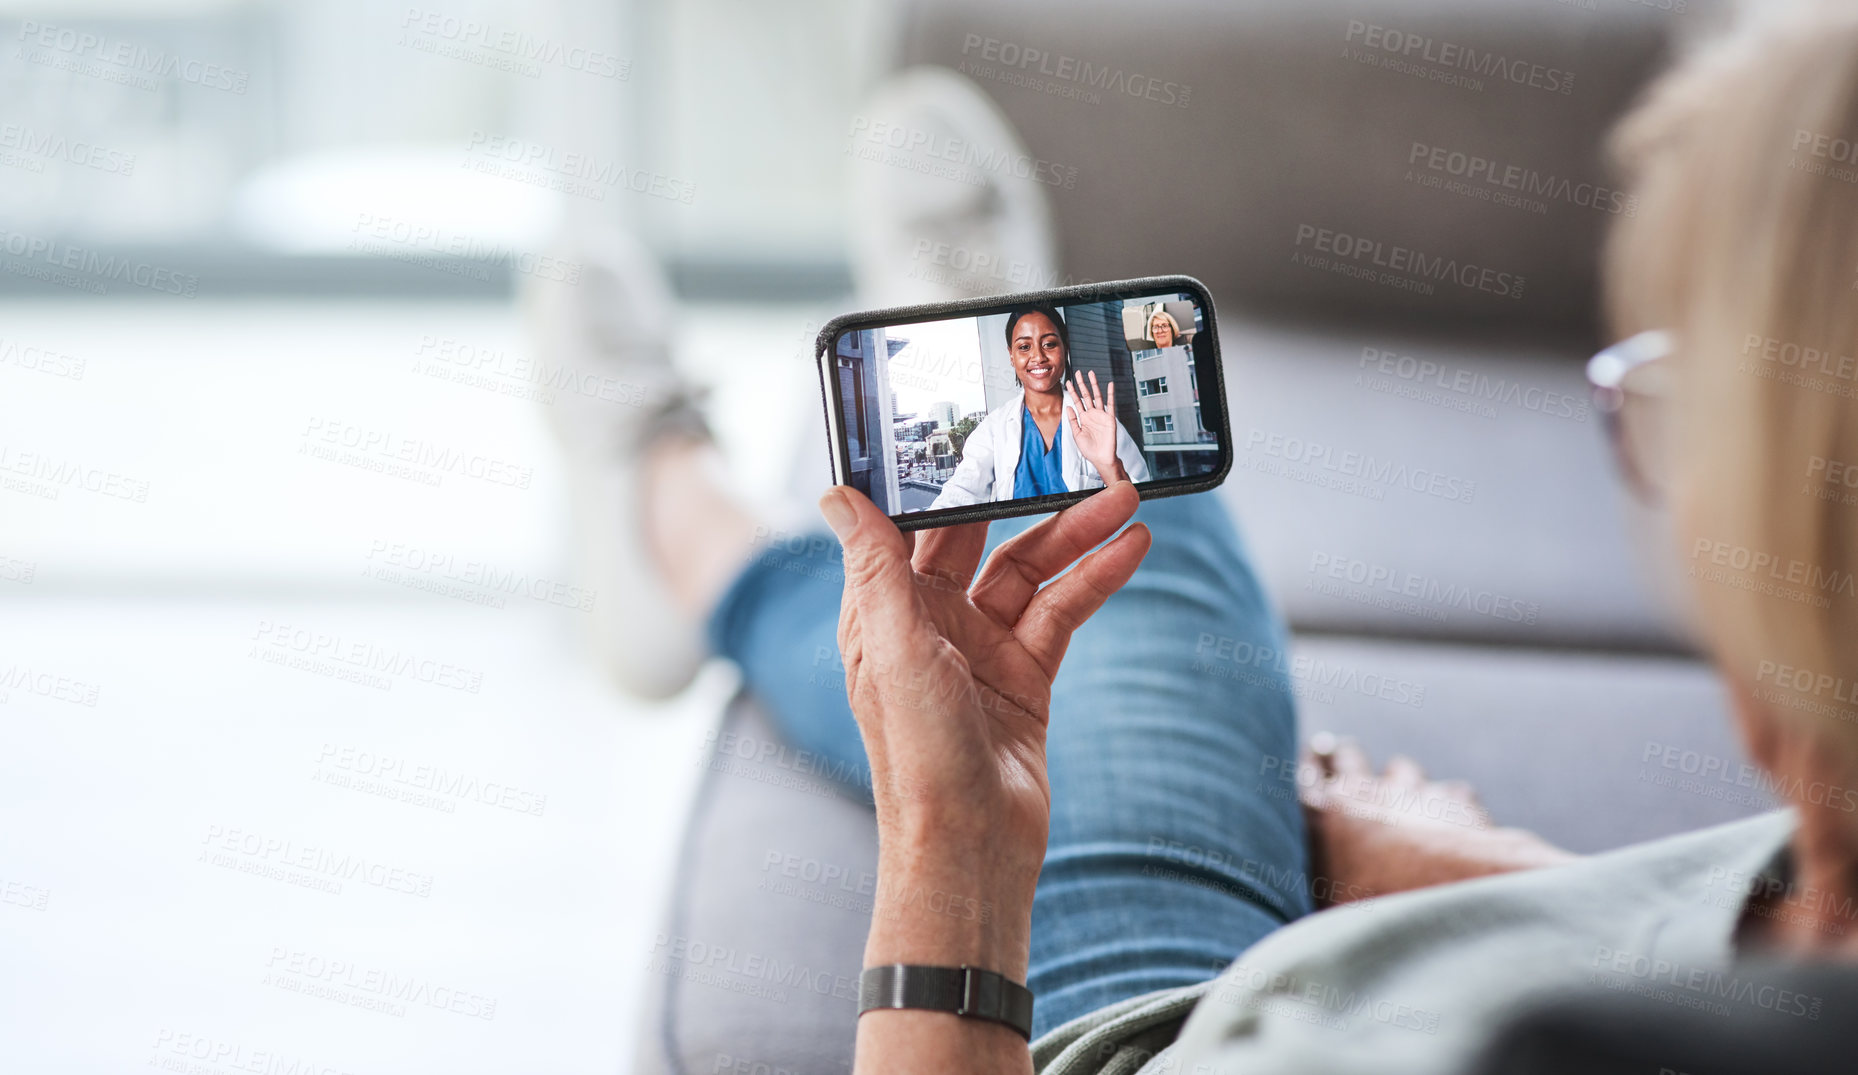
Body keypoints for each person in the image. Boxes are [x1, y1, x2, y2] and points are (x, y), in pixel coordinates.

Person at [541, 1, 1858, 1069]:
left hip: (1173, 1027)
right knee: (1110, 504)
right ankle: (911, 412)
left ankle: (696, 522)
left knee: (1125, 524)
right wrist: (1525, 890)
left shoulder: (1567, 1043)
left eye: (1679, 402)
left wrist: (951, 852)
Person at [928, 305, 1151, 510]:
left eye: (1050, 344)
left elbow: (1146, 504)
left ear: (1065, 348)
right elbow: (960, 493)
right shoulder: (994, 429)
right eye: (1024, 347)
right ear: (1012, 357)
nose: (1038, 356)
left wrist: (1110, 467)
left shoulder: (1097, 422)